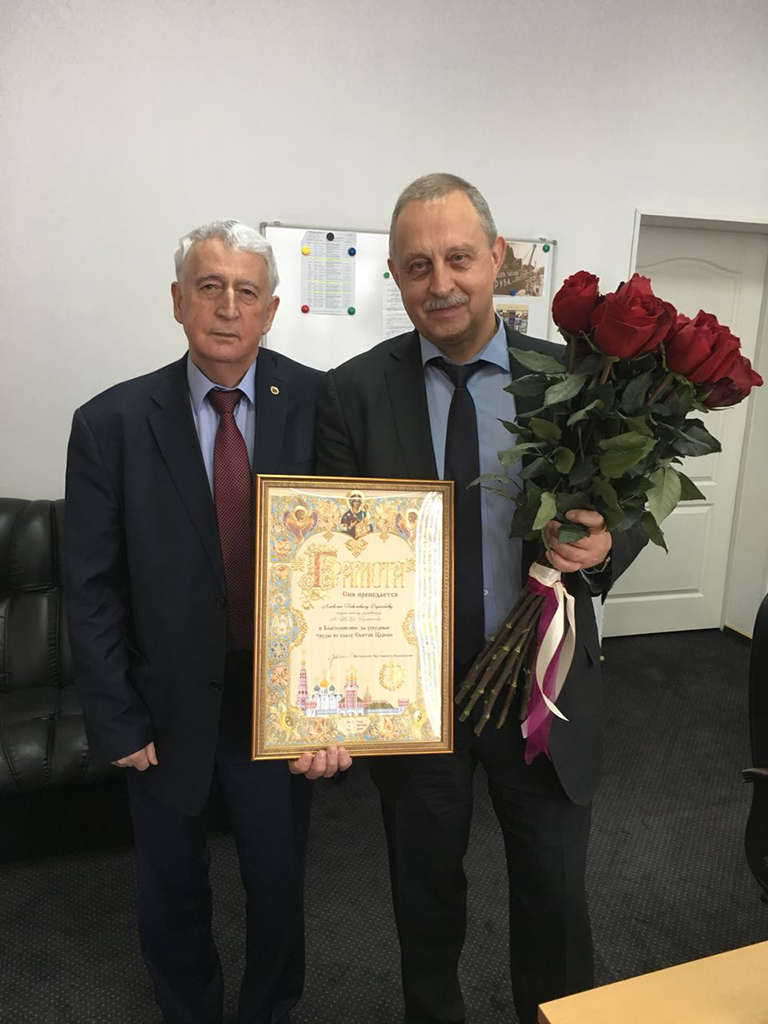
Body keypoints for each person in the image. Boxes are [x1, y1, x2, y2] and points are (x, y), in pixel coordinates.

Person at [315, 174, 647, 1024]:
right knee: (423, 897)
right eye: (418, 265)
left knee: (555, 899)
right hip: (412, 697)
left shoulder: (570, 378)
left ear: (498, 258)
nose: (441, 283)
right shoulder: (352, 392)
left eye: (459, 258)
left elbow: (628, 505)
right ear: (395, 276)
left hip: (543, 687)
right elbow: (329, 559)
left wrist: (605, 546)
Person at [65, 219, 351, 1024]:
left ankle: (270, 1010)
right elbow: (91, 587)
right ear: (177, 300)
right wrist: (116, 716)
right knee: (171, 885)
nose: (228, 308)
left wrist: (338, 711)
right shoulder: (111, 424)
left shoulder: (323, 404)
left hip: (281, 702)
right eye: (210, 287)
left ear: (271, 310)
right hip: (162, 705)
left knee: (278, 882)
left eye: (246, 291)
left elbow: (353, 563)